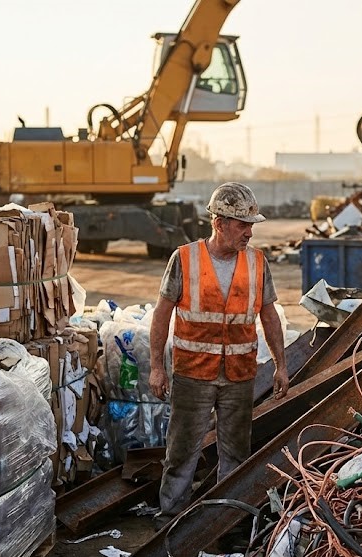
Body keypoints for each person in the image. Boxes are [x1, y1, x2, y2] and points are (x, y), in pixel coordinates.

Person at [148, 182, 288, 524]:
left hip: (240, 375)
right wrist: (156, 367)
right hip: (193, 372)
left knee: (236, 452)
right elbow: (162, 313)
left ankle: (227, 520)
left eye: (252, 225)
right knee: (182, 449)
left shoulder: (257, 262)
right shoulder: (184, 258)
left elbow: (269, 315)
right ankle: (172, 516)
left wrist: (281, 366)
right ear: (219, 223)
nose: (249, 233)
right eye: (243, 225)